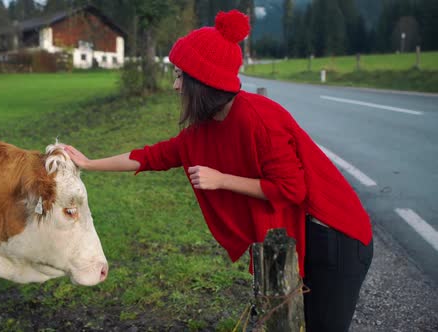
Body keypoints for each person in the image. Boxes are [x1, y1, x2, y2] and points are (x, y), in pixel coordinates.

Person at [63, 9, 373, 332]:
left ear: (203, 83)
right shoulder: (203, 131)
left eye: (181, 76)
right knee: (288, 322)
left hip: (336, 235)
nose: (174, 85)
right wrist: (88, 163)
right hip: (299, 233)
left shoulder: (258, 119)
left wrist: (222, 180)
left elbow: (292, 189)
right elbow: (151, 156)